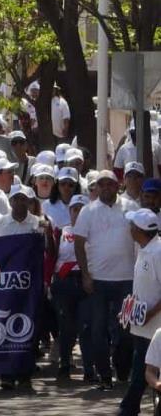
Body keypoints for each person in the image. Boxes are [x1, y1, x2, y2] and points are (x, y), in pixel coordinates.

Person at [73, 170, 137, 390]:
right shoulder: (87, 212)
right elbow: (79, 243)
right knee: (98, 330)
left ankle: (122, 370)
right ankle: (104, 375)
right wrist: (85, 274)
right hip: (98, 280)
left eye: (110, 184)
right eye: (102, 184)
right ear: (96, 187)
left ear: (117, 185)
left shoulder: (131, 208)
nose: (106, 188)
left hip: (127, 279)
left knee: (126, 330)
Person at [118, 208, 161, 414]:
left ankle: (128, 409)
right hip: (142, 326)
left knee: (142, 371)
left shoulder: (159, 253)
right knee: (143, 369)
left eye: (132, 226)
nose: (129, 229)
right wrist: (130, 310)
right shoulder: (144, 249)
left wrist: (150, 315)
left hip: (155, 328)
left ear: (139, 230)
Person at [50, 194, 95, 381]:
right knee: (66, 326)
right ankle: (65, 364)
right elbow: (51, 258)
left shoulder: (96, 232)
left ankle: (89, 368)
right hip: (64, 283)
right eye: (75, 209)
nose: (78, 212)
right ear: (70, 211)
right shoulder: (60, 232)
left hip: (87, 283)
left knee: (86, 326)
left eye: (82, 209)